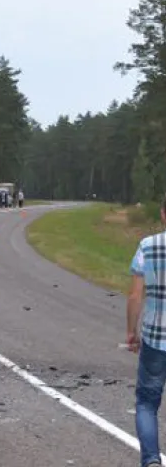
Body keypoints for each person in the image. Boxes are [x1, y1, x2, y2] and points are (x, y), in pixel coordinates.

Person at [126, 194, 166, 467]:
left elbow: (135, 296)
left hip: (155, 336)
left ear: (163, 214)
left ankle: (151, 460)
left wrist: (132, 332)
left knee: (147, 403)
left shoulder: (148, 246)